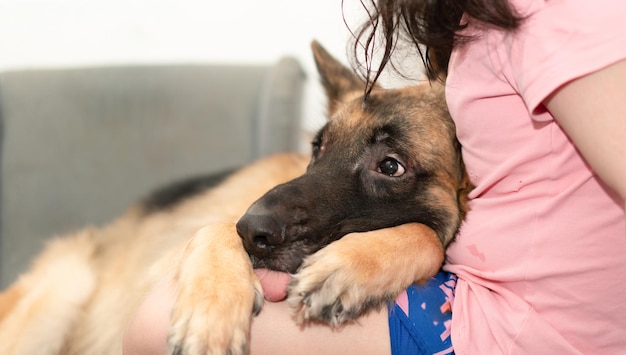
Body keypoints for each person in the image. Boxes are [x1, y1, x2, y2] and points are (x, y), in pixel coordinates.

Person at [123, 0, 626, 353]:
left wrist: (415, 244)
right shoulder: (486, 21)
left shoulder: (554, 15)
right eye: (322, 145)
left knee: (153, 320)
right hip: (485, 304)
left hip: (515, 329)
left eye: (389, 166)